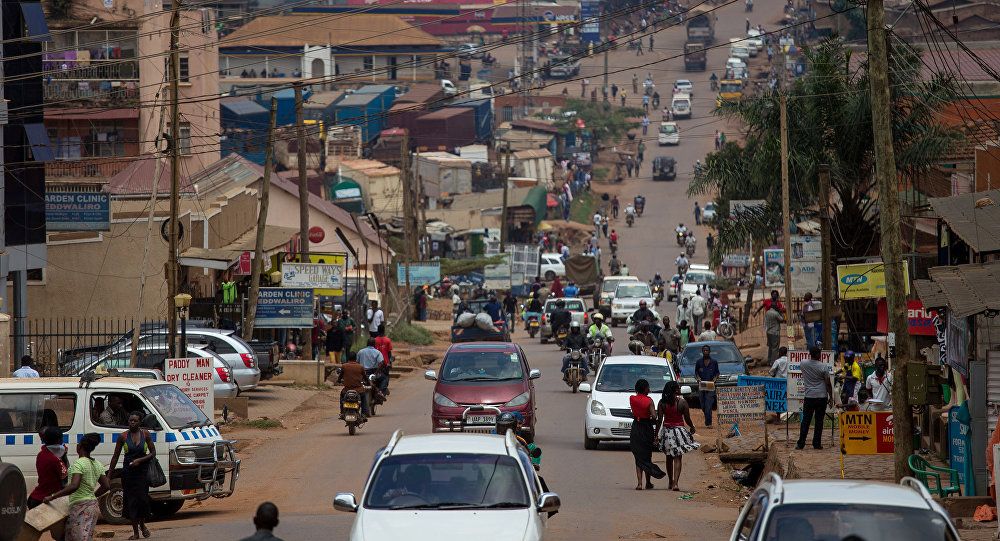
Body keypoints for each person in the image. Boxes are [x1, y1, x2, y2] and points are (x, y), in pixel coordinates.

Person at [43, 433, 110, 541]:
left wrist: (52, 497)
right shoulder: (97, 464)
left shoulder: (78, 464)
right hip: (93, 506)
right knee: (85, 537)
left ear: (79, 447)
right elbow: (106, 486)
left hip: (80, 507)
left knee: (77, 537)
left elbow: (74, 486)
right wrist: (93, 495)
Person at [108, 411, 156, 540]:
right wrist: (109, 475)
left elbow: (153, 453)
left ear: (140, 422)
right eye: (130, 421)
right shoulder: (123, 437)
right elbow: (115, 456)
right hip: (128, 474)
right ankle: (135, 532)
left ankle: (142, 524)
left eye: (135, 421)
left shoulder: (145, 434)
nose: (132, 423)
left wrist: (140, 460)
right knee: (131, 502)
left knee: (142, 500)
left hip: (142, 473)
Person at [658, 381, 699, 491]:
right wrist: (692, 427)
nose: (679, 389)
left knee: (668, 457)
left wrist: (655, 434)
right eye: (678, 388)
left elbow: (659, 420)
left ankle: (670, 481)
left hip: (667, 431)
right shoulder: (682, 402)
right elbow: (687, 418)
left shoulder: (662, 403)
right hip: (679, 431)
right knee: (678, 458)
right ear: (676, 390)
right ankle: (676, 483)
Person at [629, 379, 667, 490]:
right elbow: (654, 417)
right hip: (646, 428)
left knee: (638, 457)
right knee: (647, 456)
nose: (649, 389)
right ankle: (648, 482)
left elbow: (634, 412)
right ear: (645, 388)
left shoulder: (632, 398)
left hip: (636, 427)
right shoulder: (649, 400)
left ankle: (639, 483)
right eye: (648, 387)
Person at [796, 347, 833, 450]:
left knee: (806, 421)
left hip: (809, 396)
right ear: (818, 354)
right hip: (822, 397)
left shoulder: (803, 363)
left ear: (810, 354)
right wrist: (831, 397)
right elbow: (828, 383)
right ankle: (816, 444)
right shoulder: (823, 366)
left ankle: (801, 443)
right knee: (819, 421)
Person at [29, 426, 69, 509]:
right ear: (59, 440)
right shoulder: (55, 460)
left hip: (36, 497)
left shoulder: (41, 454)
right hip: (46, 500)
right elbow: (65, 481)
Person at [695, 345, 720, 427]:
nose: (705, 352)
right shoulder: (699, 362)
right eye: (704, 350)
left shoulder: (714, 362)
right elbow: (696, 373)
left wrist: (714, 380)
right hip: (702, 385)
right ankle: (707, 419)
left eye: (707, 350)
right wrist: (698, 379)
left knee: (708, 405)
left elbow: (717, 373)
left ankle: (709, 423)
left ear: (709, 351)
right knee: (703, 405)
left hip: (710, 385)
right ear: (702, 352)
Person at [339, 352, 369, 417]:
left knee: (342, 397)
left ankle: (342, 412)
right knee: (363, 398)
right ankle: (364, 413)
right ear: (356, 358)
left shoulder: (344, 366)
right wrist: (368, 383)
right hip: (359, 390)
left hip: (347, 390)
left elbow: (340, 376)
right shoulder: (360, 367)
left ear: (348, 358)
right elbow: (365, 377)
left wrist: (339, 381)